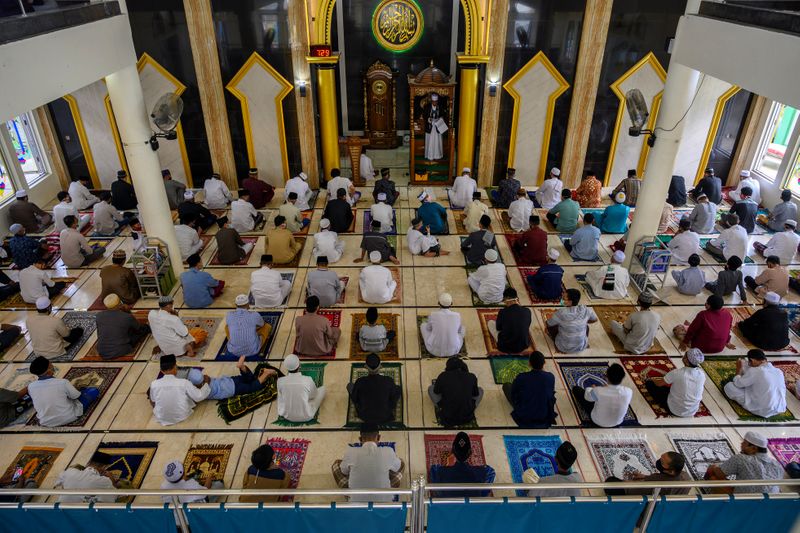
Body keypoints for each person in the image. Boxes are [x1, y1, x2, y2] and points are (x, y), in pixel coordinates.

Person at [332, 424, 404, 502]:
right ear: (379, 437)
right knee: (401, 463)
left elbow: (344, 471)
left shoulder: (351, 452)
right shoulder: (388, 451)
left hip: (356, 502)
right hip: (384, 502)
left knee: (336, 464)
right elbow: (398, 467)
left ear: (360, 439)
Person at [27, 356, 99, 427]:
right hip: (69, 417)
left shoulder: (31, 386)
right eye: (51, 365)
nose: (53, 366)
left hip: (45, 422)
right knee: (93, 391)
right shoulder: (62, 382)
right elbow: (76, 396)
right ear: (49, 371)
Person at [705, 431, 784, 494]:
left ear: (753, 448)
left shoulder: (741, 459)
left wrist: (714, 467)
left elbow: (719, 473)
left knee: (712, 474)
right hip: (770, 505)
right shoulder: (778, 465)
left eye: (744, 443)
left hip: (745, 504)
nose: (741, 444)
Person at [149, 354, 211, 425]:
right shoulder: (184, 383)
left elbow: (153, 402)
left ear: (161, 371)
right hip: (182, 415)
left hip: (161, 417)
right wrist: (206, 383)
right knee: (190, 394)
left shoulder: (154, 384)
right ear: (175, 367)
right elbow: (199, 397)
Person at [724, 349, 787, 418]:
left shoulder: (756, 370)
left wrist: (738, 369)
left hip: (763, 409)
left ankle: (754, 406)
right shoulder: (778, 371)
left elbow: (737, 383)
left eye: (749, 362)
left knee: (729, 386)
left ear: (752, 360)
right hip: (780, 407)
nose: (750, 365)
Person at [644, 348, 706, 417]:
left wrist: (650, 379)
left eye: (685, 355)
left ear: (686, 360)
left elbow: (658, 383)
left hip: (674, 409)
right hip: (692, 411)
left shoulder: (678, 373)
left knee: (649, 384)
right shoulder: (701, 374)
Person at [429, 432, 495, 497]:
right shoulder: (481, 472)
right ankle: (480, 495)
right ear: (470, 453)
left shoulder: (441, 472)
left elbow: (433, 469)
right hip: (473, 506)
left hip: (448, 506)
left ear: (453, 452)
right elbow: (491, 472)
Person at [503, 351, 556, 428]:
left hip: (524, 415)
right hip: (543, 415)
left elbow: (514, 393)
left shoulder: (522, 377)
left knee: (507, 385)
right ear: (544, 363)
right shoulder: (550, 377)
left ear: (529, 363)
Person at [571, 363, 632, 428]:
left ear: (607, 377)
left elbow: (587, 397)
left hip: (597, 421)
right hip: (617, 422)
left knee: (576, 389)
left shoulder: (598, 391)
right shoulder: (629, 391)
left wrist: (592, 389)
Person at [604, 451, 690, 496]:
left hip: (650, 508)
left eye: (662, 462)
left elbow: (631, 490)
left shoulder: (655, 483)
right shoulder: (686, 477)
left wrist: (627, 481)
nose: (659, 462)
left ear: (671, 471)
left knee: (610, 482)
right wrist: (645, 477)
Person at [348, 353, 401, 425]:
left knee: (350, 386)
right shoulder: (388, 380)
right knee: (397, 388)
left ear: (366, 367)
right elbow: (393, 397)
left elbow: (355, 398)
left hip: (365, 416)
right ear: (380, 366)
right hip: (385, 416)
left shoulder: (360, 381)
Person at [185, 358, 276, 399]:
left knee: (252, 387)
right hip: (229, 380)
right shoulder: (207, 378)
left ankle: (266, 373)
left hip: (232, 389)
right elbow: (206, 378)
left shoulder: (202, 390)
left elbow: (197, 397)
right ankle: (241, 367)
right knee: (249, 378)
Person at [429, 357, 482, 427]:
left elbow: (436, 391)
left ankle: (442, 407)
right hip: (467, 416)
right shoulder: (471, 376)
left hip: (447, 416)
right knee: (480, 390)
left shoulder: (443, 375)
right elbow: (475, 394)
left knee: (431, 388)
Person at [94, 294, 150, 360]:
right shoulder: (126, 317)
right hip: (121, 350)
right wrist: (128, 312)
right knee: (144, 329)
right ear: (120, 303)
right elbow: (138, 329)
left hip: (101, 351)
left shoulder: (98, 316)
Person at [277, 353, 326, 422]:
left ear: (287, 368)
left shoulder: (280, 381)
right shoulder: (307, 379)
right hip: (307, 415)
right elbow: (313, 395)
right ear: (299, 366)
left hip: (287, 416)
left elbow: (281, 398)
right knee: (322, 389)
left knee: (281, 396)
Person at [546, 288, 598, 353]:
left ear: (570, 302)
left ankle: (560, 347)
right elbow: (595, 319)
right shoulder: (585, 309)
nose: (561, 300)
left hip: (563, 347)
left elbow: (548, 324)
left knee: (552, 327)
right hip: (581, 346)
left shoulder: (561, 313)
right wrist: (582, 322)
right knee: (586, 326)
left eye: (563, 298)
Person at [487, 288, 532, 354]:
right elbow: (528, 325)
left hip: (505, 347)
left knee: (490, 323)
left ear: (507, 299)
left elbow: (498, 328)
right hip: (523, 345)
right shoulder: (527, 311)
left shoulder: (503, 312)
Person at [420, 293, 465, 357]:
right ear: (451, 303)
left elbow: (428, 328)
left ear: (438, 303)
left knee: (423, 325)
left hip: (433, 350)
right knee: (463, 328)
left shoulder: (433, 315)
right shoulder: (457, 315)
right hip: (453, 351)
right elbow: (459, 330)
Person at [423, 92, 446, 160]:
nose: (434, 103)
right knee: (429, 141)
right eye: (433, 102)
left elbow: (443, 115)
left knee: (437, 142)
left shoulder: (440, 107)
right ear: (431, 101)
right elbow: (424, 115)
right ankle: (429, 155)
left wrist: (440, 118)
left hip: (437, 127)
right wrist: (428, 119)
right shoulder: (427, 107)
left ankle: (437, 155)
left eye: (436, 102)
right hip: (430, 127)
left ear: (437, 101)